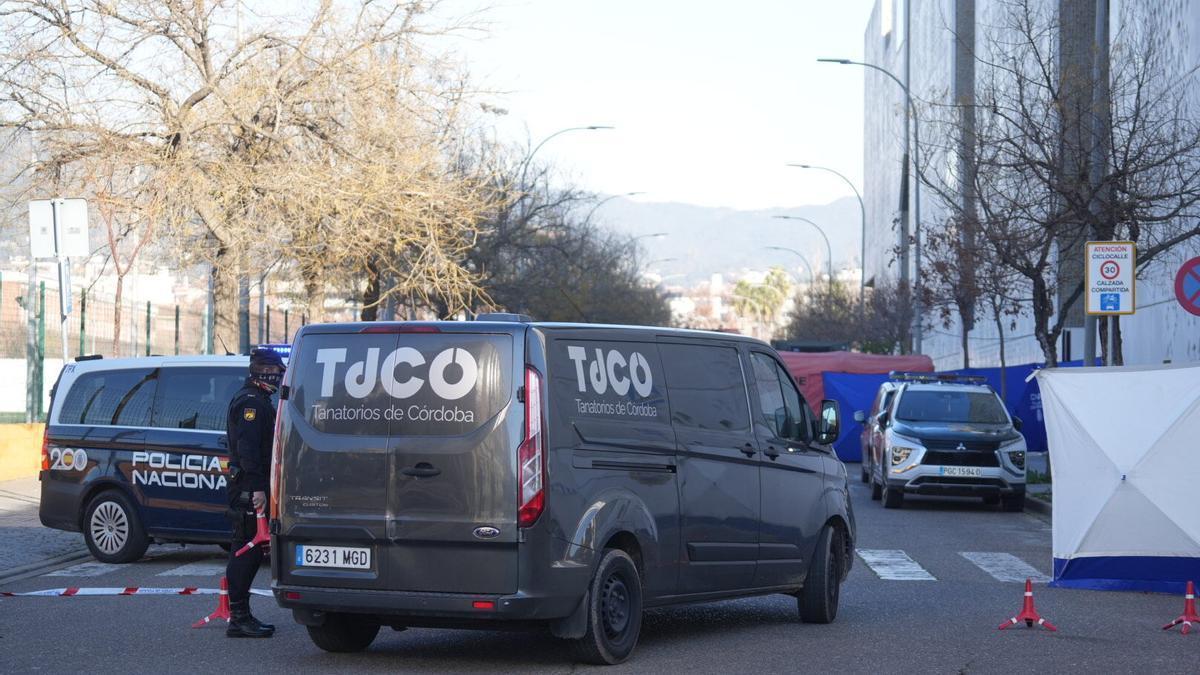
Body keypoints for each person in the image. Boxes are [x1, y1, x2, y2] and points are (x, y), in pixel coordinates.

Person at [224, 347, 285, 638]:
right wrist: (258, 488)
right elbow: (248, 451)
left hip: (252, 485)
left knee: (247, 549)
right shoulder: (251, 403)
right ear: (262, 372)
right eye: (274, 372)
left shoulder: (259, 399)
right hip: (249, 488)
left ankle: (241, 614)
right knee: (245, 551)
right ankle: (238, 617)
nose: (278, 377)